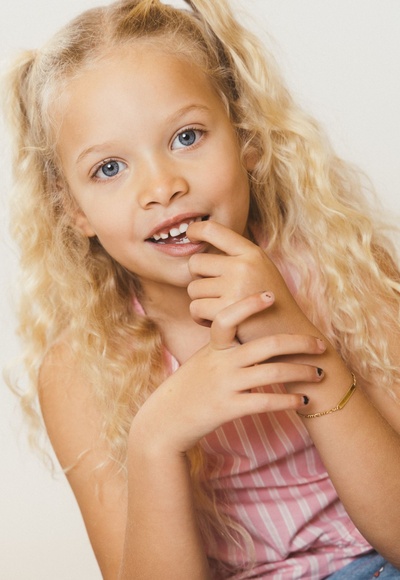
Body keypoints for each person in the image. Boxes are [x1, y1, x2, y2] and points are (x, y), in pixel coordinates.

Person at [3, 0, 400, 578]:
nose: (162, 186)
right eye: (109, 168)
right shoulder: (82, 370)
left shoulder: (342, 270)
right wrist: (155, 440)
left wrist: (302, 348)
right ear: (73, 210)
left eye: (186, 136)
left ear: (246, 139)